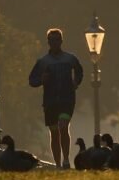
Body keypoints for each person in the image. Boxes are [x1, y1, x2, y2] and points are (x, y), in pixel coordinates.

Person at [28, 28, 84, 169]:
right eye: (51, 40)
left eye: (57, 40)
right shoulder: (43, 61)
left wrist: (76, 81)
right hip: (50, 101)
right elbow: (32, 80)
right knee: (54, 132)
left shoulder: (70, 58)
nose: (54, 43)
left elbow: (79, 71)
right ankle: (58, 164)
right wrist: (42, 79)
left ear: (61, 41)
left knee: (63, 126)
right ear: (48, 42)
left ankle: (66, 160)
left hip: (67, 100)